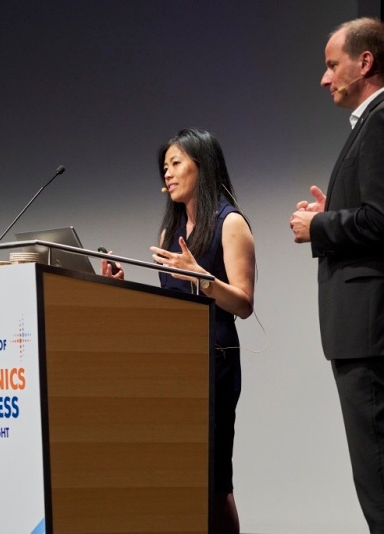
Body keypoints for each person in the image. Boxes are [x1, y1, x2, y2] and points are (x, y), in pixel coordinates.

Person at [289, 18, 384, 533]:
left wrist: (321, 225)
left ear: (365, 62)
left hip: (375, 332)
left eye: (333, 64)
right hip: (373, 331)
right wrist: (337, 211)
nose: (324, 78)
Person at [101, 127, 255, 534]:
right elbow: (168, 308)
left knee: (215, 480)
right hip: (173, 367)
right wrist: (119, 289)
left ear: (201, 167)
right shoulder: (169, 233)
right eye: (164, 167)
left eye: (175, 164)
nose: (167, 174)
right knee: (179, 478)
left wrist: (202, 278)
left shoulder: (230, 222)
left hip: (215, 363)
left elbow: (243, 303)